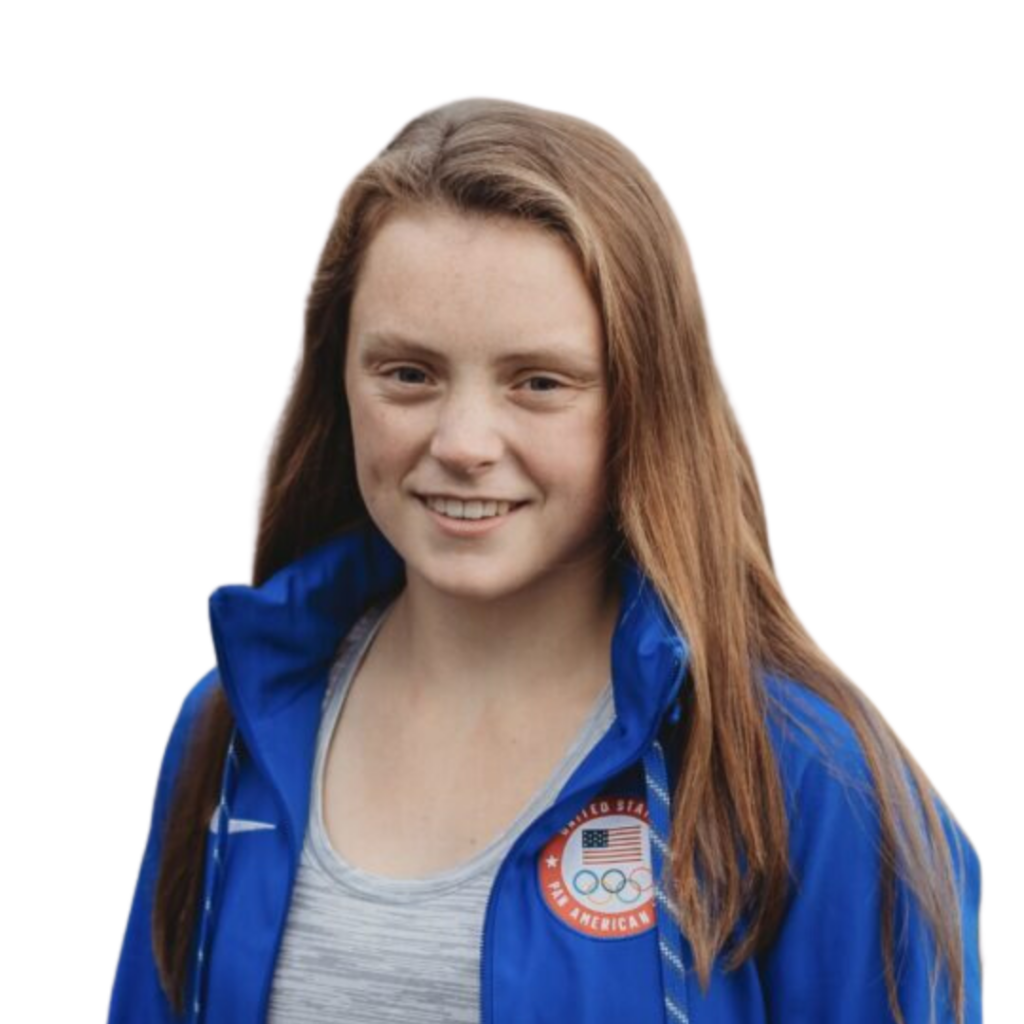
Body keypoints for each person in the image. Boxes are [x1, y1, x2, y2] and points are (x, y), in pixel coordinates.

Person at [108, 97, 982, 1024]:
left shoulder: (809, 780)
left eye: (539, 382)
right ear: (340, 381)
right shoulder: (232, 728)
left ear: (646, 402)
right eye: (408, 373)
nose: (463, 442)